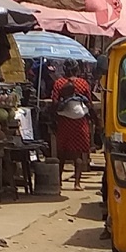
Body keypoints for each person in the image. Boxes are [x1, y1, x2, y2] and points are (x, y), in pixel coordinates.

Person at [51, 60, 94, 190]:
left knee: (62, 153)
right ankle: (77, 183)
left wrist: (53, 119)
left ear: (64, 70)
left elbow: (54, 102)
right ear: (77, 70)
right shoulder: (83, 83)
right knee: (78, 154)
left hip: (64, 122)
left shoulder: (59, 83)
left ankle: (59, 182)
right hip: (80, 122)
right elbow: (89, 103)